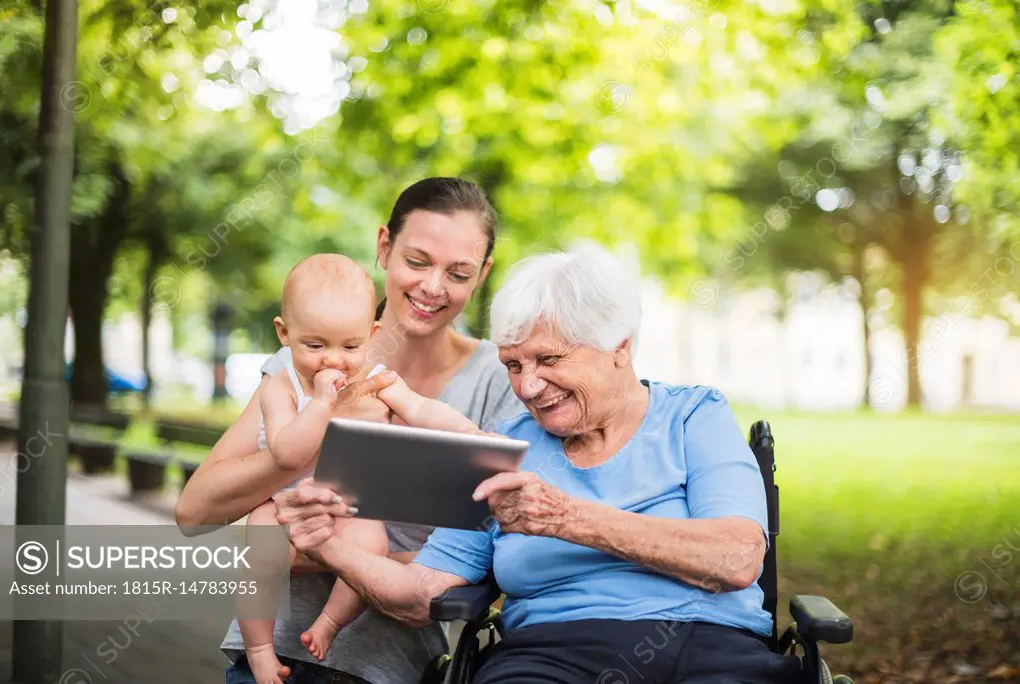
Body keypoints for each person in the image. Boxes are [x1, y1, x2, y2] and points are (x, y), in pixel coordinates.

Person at [272, 245, 804, 684]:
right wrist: (327, 543)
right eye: (512, 365)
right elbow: (423, 595)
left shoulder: (692, 416)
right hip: (550, 656)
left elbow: (736, 558)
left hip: (711, 647)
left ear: (618, 345)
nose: (527, 386)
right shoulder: (502, 448)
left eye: (549, 360)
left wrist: (568, 519)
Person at [175, 177, 523, 684]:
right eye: (418, 261)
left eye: (459, 272)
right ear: (385, 247)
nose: (432, 287)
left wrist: (315, 549)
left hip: (389, 668)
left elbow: (490, 550)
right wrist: (291, 461)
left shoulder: (499, 378)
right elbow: (194, 511)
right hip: (274, 652)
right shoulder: (298, 363)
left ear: (482, 274)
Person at [241, 252, 485, 684]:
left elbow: (424, 410)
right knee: (260, 541)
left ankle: (330, 623)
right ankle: (258, 648)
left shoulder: (377, 378)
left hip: (344, 507)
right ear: (284, 333)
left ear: (371, 335)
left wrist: (472, 434)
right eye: (314, 345)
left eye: (350, 346)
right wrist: (321, 403)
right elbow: (286, 453)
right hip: (288, 506)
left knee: (371, 540)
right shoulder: (280, 385)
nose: (333, 360)